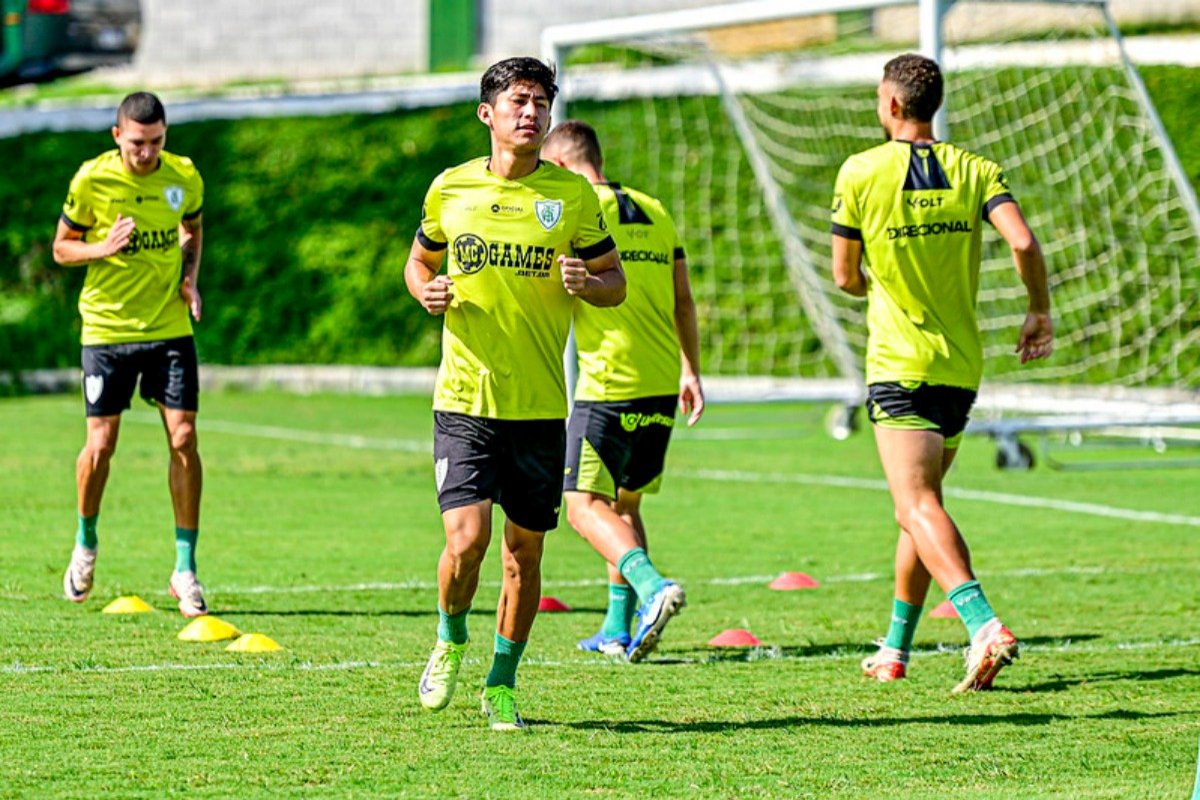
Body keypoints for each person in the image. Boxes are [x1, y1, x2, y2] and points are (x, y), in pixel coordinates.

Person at [405, 58, 625, 731]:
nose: (531, 112)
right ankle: (450, 636)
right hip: (465, 400)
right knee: (466, 542)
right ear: (488, 113)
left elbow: (614, 279)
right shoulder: (451, 189)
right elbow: (420, 259)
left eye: (541, 102)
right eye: (519, 101)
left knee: (523, 555)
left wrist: (589, 285)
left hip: (538, 408)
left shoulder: (574, 199)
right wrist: (425, 289)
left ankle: (502, 682)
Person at [830, 54, 1053, 691]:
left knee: (917, 504)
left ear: (892, 105)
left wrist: (875, 283)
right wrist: (1038, 310)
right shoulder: (976, 169)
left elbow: (844, 277)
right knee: (920, 510)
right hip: (960, 368)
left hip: (900, 364)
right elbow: (1023, 242)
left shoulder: (861, 171)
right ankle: (895, 650)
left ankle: (983, 622)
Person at [541, 120, 703, 663]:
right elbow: (683, 298)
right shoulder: (654, 209)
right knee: (623, 505)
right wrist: (691, 369)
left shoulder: (580, 211)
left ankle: (653, 587)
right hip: (660, 382)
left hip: (610, 383)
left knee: (583, 505)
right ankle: (616, 628)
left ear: (562, 166)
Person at [54, 91, 208, 618]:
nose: (148, 154)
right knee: (100, 446)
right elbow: (61, 247)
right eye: (139, 144)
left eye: (157, 143)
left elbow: (193, 226)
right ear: (118, 136)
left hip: (168, 326)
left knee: (184, 437)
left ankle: (185, 568)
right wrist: (100, 248)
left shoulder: (183, 175)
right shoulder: (91, 180)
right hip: (107, 330)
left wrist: (189, 280)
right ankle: (85, 544)